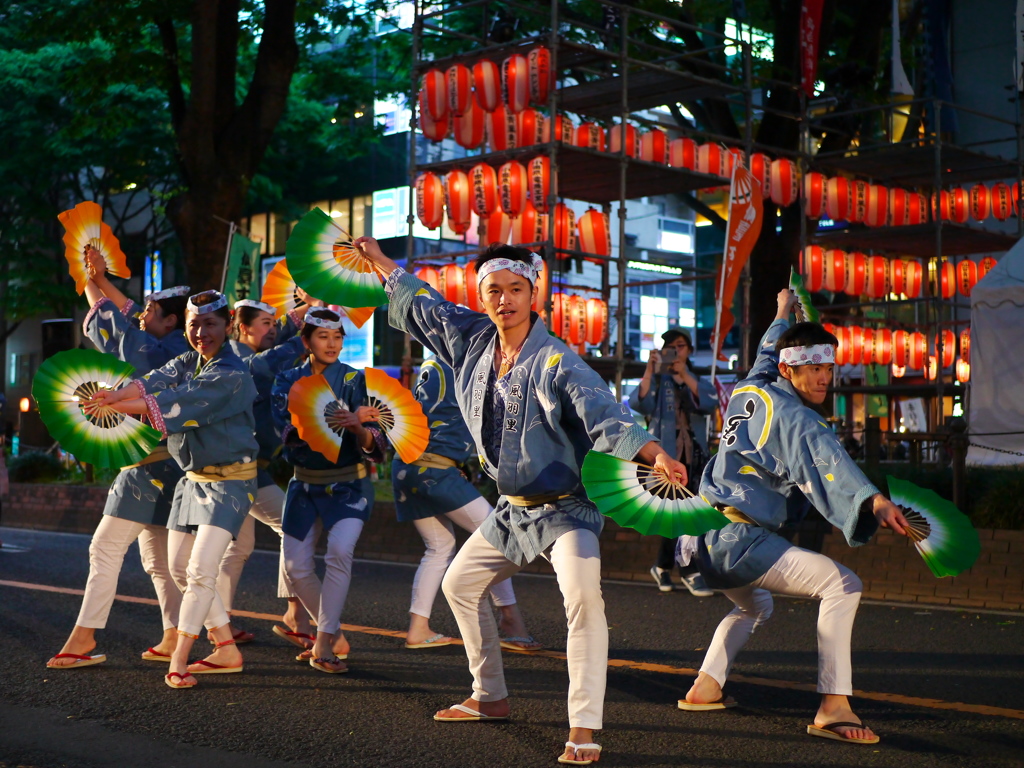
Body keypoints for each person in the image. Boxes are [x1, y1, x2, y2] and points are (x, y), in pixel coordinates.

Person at [357, 237, 687, 767]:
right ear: (481, 295)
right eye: (494, 290)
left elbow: (604, 412)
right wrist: (379, 261)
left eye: (516, 289)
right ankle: (489, 695)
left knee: (582, 600)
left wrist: (653, 453)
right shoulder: (470, 340)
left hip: (565, 508)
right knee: (460, 585)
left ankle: (583, 726)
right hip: (511, 509)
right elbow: (424, 304)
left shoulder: (558, 359)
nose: (505, 299)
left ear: (534, 293)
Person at [678, 289, 911, 746]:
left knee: (755, 605)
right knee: (843, 584)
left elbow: (767, 350)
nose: (825, 379)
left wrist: (782, 310)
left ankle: (705, 686)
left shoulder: (753, 385)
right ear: (791, 369)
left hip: (702, 533)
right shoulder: (798, 420)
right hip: (741, 539)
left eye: (828, 369)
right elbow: (831, 463)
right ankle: (833, 706)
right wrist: (873, 501)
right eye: (814, 370)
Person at [83, 289, 260, 689]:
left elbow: (174, 403)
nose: (201, 333)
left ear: (228, 325)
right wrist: (112, 396)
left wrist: (112, 407)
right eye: (194, 325)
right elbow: (150, 384)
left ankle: (179, 660)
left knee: (199, 571)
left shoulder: (231, 374)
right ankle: (227, 649)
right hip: (192, 481)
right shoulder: (190, 361)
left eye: (210, 324)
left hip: (232, 483)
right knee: (179, 567)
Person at [46, 248, 189, 670]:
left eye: (149, 311)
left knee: (105, 548)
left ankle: (83, 637)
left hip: (146, 466)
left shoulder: (144, 348)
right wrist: (99, 275)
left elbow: (108, 315)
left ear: (169, 321)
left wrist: (88, 277)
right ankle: (177, 635)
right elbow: (122, 311)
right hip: (176, 466)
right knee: (160, 562)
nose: (140, 314)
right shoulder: (178, 350)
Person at [393, 354, 540, 652]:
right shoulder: (471, 365)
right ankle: (509, 618)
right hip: (434, 469)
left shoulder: (435, 362)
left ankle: (418, 628)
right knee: (497, 535)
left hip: (407, 467)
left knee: (440, 547)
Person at [271, 308, 385, 674]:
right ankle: (332, 630)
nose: (332, 344)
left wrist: (359, 428)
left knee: (339, 552)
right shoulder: (286, 379)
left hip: (350, 484)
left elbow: (377, 440)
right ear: (305, 342)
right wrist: (317, 422)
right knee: (294, 566)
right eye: (322, 337)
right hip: (303, 484)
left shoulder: (357, 379)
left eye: (337, 337)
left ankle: (323, 643)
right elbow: (283, 433)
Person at [216, 295, 320, 649]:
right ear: (242, 328)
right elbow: (269, 360)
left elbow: (286, 328)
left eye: (275, 324)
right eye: (265, 324)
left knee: (239, 546)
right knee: (293, 527)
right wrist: (307, 338)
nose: (273, 329)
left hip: (249, 468)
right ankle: (295, 615)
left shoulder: (257, 351)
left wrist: (312, 305)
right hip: (236, 469)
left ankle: (221, 624)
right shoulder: (236, 360)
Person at [630, 328, 715, 597]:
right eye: (672, 347)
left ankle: (663, 566)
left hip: (694, 456)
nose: (677, 351)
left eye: (682, 346)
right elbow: (639, 404)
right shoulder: (658, 379)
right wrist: (650, 369)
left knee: (683, 511)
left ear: (689, 350)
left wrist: (683, 374)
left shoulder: (696, 378)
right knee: (678, 512)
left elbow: (710, 403)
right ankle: (689, 571)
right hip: (665, 458)